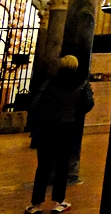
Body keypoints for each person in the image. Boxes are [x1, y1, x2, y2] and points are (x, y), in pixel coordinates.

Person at [26, 55, 94, 214]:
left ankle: (36, 204)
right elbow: (89, 103)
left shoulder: (50, 82)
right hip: (67, 128)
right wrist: (75, 113)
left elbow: (36, 102)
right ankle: (59, 202)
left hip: (48, 128)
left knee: (43, 166)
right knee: (62, 166)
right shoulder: (82, 83)